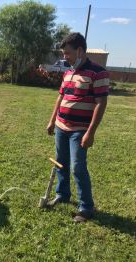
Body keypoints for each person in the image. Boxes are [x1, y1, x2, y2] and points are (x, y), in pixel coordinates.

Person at [46, 32, 109, 223]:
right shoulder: (68, 72)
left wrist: (90, 132)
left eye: (67, 53)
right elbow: (61, 97)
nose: (64, 57)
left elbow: (101, 103)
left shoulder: (98, 72)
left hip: (79, 130)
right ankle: (62, 194)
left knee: (78, 167)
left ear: (80, 51)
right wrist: (52, 120)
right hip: (61, 127)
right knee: (61, 163)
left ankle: (86, 207)